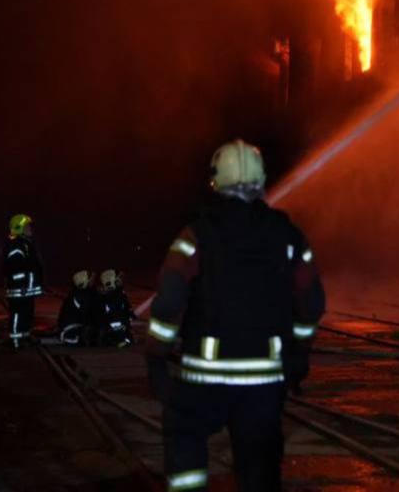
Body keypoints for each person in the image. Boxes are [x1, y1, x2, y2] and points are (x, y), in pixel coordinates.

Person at [146, 139, 325, 492]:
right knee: (260, 468)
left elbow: (168, 302)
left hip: (203, 376)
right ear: (261, 181)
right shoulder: (288, 236)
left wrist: (156, 356)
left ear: (216, 181)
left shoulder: (195, 235)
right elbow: (312, 301)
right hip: (264, 379)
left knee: (183, 437)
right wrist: (300, 351)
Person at [2, 214, 44, 349]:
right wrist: (23, 283)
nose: (30, 229)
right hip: (19, 289)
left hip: (26, 289)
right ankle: (15, 340)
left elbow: (33, 266)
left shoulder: (26, 244)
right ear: (19, 228)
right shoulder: (15, 245)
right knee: (17, 314)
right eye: (27, 227)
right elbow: (14, 269)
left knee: (27, 313)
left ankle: (25, 336)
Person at [57, 270, 96, 345]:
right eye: (90, 280)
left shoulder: (80, 293)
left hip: (71, 328)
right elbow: (86, 314)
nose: (93, 282)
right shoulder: (80, 296)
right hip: (70, 331)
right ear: (84, 282)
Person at [97, 269, 134, 347]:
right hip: (114, 324)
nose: (121, 282)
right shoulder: (111, 296)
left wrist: (130, 313)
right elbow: (115, 314)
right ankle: (115, 339)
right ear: (111, 282)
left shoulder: (118, 293)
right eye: (117, 281)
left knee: (129, 337)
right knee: (125, 339)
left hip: (117, 322)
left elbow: (125, 306)